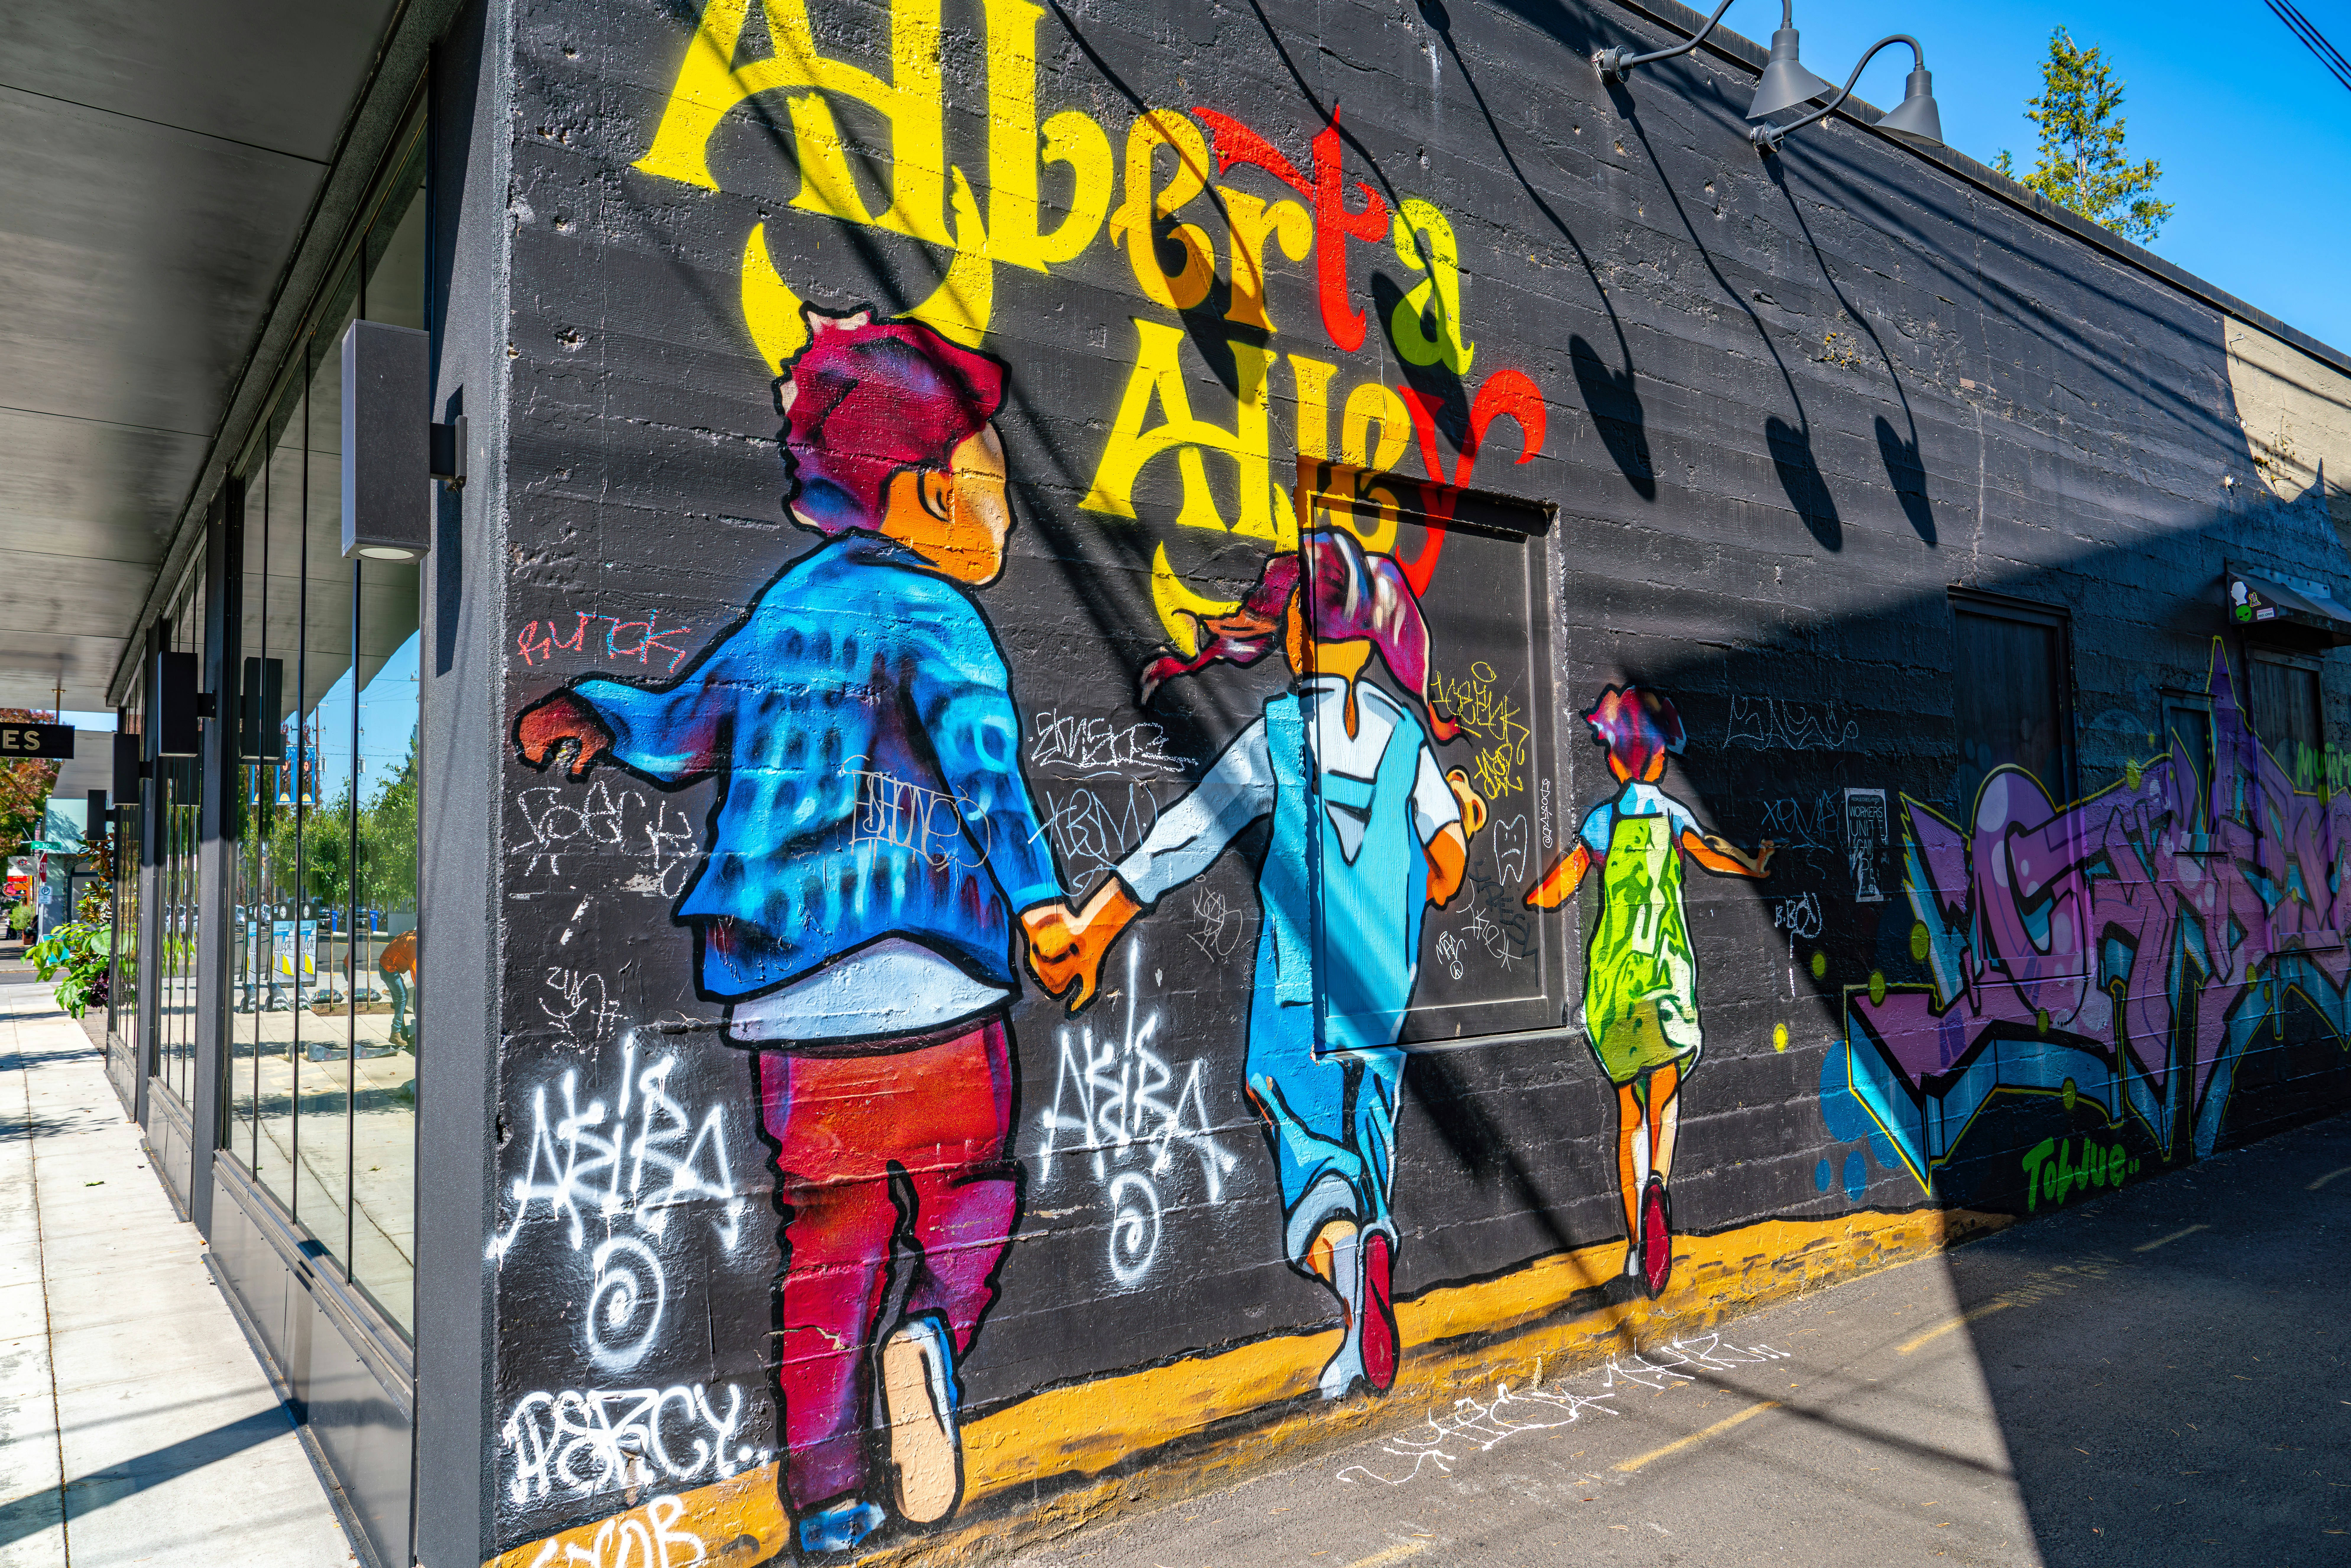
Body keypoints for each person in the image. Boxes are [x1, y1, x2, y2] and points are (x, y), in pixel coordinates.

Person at [515, 309, 1064, 1557]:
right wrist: (1037, 905)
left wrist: (592, 711)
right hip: (930, 980)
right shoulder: (942, 622)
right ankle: (932, 1333)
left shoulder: (778, 616)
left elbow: (672, 731)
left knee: (826, 1258)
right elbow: (987, 778)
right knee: (969, 1194)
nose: (1006, 519)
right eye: (990, 489)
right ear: (925, 497)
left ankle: (826, 1503)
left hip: (785, 1006)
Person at [1027, 530, 1485, 1401]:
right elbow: (1451, 866)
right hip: (1383, 1004)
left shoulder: (1276, 734)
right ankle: (1363, 1313)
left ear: (1294, 636)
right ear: (1366, 640)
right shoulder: (1404, 740)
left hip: (1297, 995)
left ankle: (1353, 1263)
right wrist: (1457, 814)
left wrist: (1095, 923)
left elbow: (1188, 836)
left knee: (1305, 1150)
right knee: (1365, 1145)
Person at [1522, 687, 1774, 1298]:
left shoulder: (1601, 822)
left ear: (1613, 760)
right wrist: (1755, 864)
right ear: (1661, 760)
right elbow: (1711, 855)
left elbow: (1561, 883)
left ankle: (1636, 1244)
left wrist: (1529, 897)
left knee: (1626, 1114)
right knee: (1664, 1100)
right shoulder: (1670, 815)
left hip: (1614, 982)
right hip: (1663, 976)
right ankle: (1660, 1180)